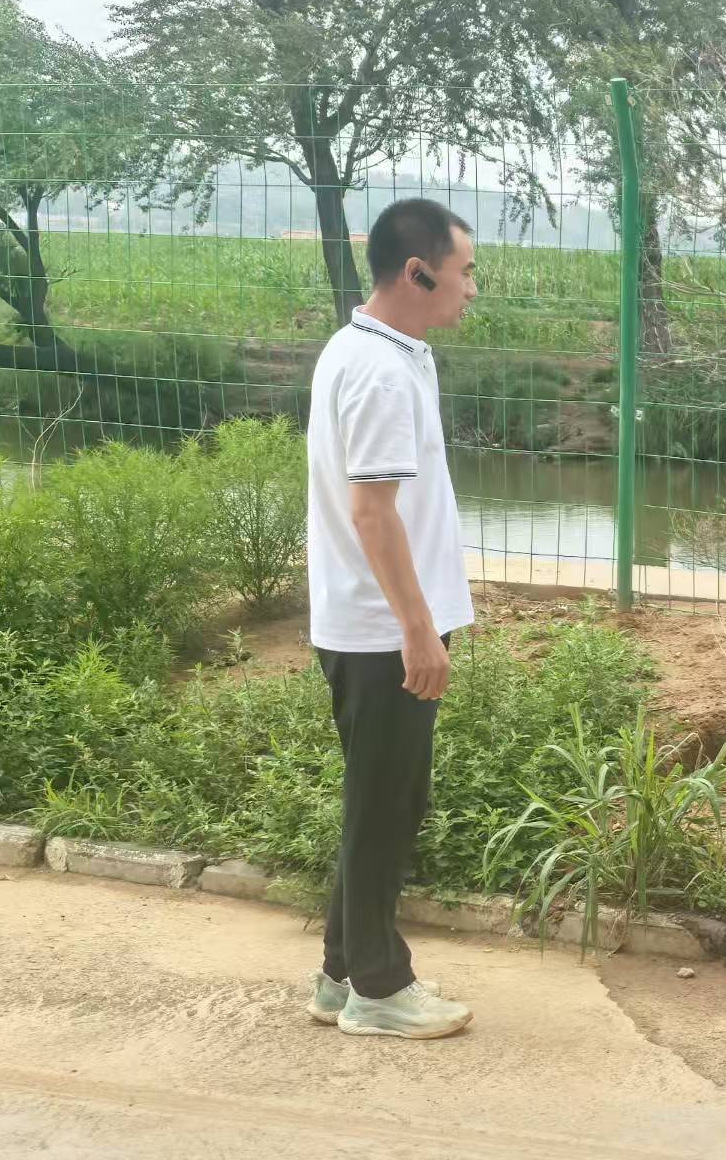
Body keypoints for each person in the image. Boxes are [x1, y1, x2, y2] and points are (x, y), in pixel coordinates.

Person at [301, 198, 480, 1040]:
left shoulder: (379, 351)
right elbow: (373, 513)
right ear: (417, 272)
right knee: (385, 807)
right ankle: (379, 988)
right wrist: (417, 628)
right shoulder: (377, 370)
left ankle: (342, 973)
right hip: (383, 630)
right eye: (464, 271)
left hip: (377, 623)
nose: (471, 288)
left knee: (385, 798)